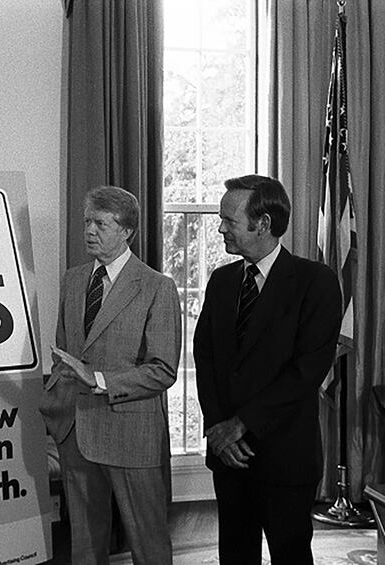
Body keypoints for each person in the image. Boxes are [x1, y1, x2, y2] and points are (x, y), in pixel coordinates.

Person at [194, 174, 342, 564]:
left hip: (284, 455)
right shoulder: (222, 281)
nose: (221, 227)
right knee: (235, 556)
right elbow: (205, 357)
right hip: (228, 457)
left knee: (290, 556)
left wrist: (240, 425)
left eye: (229, 220)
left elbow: (306, 371)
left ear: (263, 224)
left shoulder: (316, 282)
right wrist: (218, 429)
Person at [39, 185, 182, 565]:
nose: (89, 230)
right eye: (87, 221)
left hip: (131, 434)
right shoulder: (72, 280)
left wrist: (99, 380)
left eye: (100, 223)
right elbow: (63, 353)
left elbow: (164, 370)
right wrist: (56, 404)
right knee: (85, 546)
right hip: (75, 431)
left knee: (148, 544)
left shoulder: (157, 287)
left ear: (127, 231)